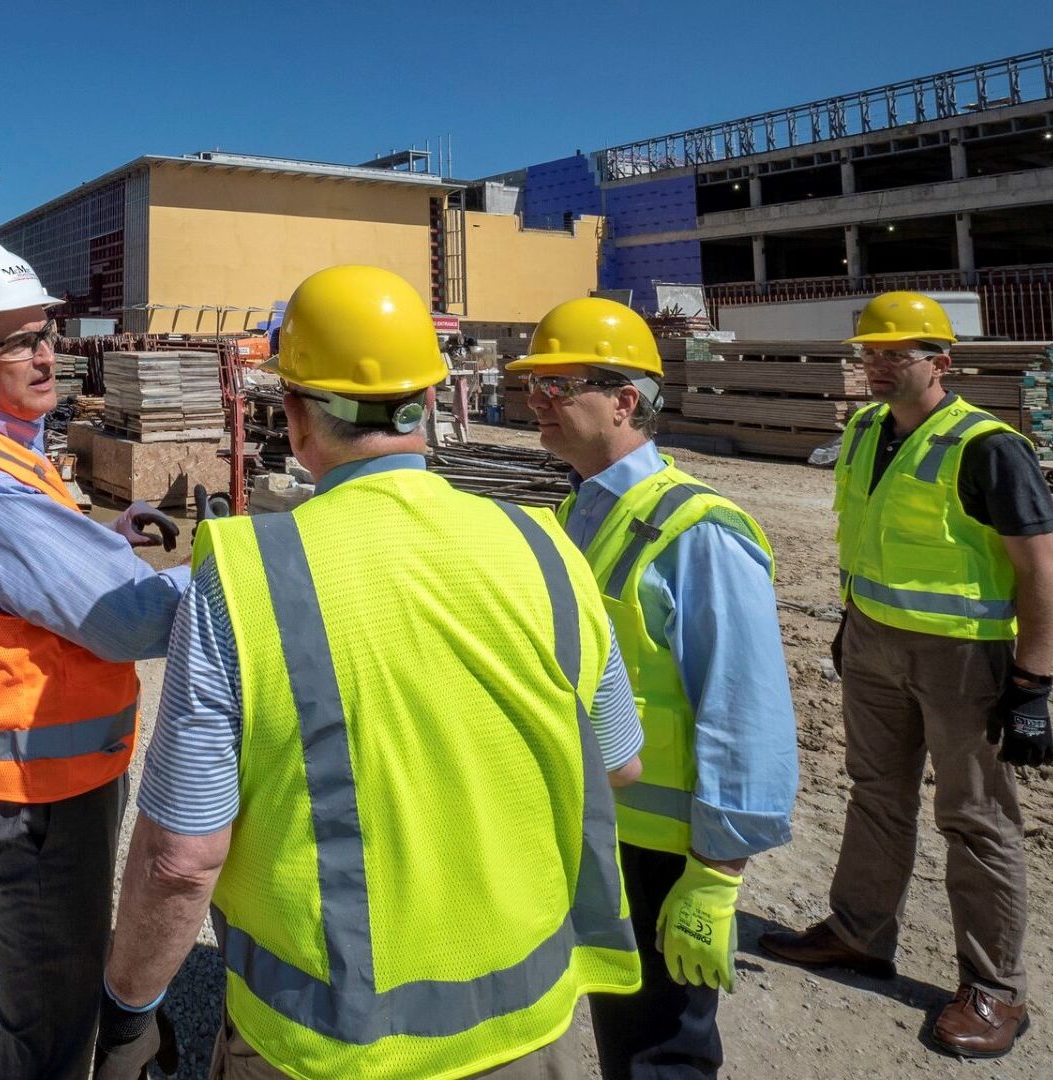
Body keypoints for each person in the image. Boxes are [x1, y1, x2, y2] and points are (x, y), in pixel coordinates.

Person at [95, 265, 646, 1080]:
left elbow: (181, 857)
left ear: (293, 412)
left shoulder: (248, 578)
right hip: (529, 1032)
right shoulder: (547, 548)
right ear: (430, 401)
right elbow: (619, 762)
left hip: (325, 1048)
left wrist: (128, 1009)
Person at [0, 241, 189, 1079]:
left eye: (45, 334)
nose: (45, 354)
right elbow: (129, 621)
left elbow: (25, 572)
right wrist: (239, 585)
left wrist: (94, 540)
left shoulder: (1, 444)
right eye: (16, 341)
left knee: (57, 987)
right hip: (39, 790)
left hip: (56, 773)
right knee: (53, 1027)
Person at [507, 298, 798, 1078]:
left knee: (660, 1056)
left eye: (556, 386)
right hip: (599, 832)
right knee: (619, 1036)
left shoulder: (699, 532)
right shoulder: (581, 510)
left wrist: (715, 877)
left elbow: (747, 713)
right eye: (532, 385)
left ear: (624, 401)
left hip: (664, 857)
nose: (535, 402)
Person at [760, 291, 1053, 1060]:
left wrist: (1034, 683)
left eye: (899, 354)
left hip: (965, 659)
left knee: (976, 818)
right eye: (871, 353)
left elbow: (1040, 569)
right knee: (876, 794)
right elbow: (866, 537)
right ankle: (859, 933)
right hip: (875, 645)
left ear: (941, 363)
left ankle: (995, 990)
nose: (880, 365)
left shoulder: (988, 447)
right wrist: (855, 625)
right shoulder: (863, 431)